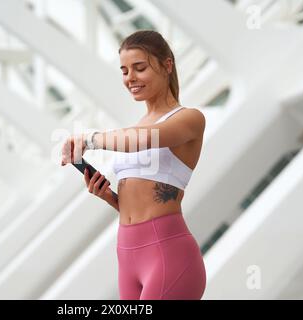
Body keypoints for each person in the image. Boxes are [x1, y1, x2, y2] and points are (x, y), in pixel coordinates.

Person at [61, 30, 206, 300]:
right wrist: (110, 198)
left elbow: (143, 140)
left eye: (139, 68)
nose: (130, 78)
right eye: (125, 71)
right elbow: (140, 198)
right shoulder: (135, 128)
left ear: (167, 65)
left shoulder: (189, 119)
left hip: (167, 253)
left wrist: (90, 139)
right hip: (127, 253)